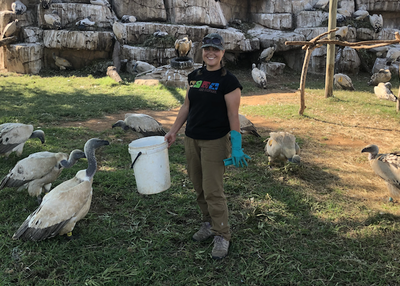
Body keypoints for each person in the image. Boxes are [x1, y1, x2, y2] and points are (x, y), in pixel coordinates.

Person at [164, 33, 250, 259]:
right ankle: (208, 223)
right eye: (207, 49)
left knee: (213, 190)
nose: (210, 53)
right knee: (199, 186)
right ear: (202, 52)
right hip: (191, 139)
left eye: (216, 49)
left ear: (223, 53)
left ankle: (222, 234)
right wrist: (173, 131)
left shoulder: (229, 81)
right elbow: (186, 106)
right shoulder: (195, 76)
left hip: (215, 142)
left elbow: (233, 115)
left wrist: (237, 145)